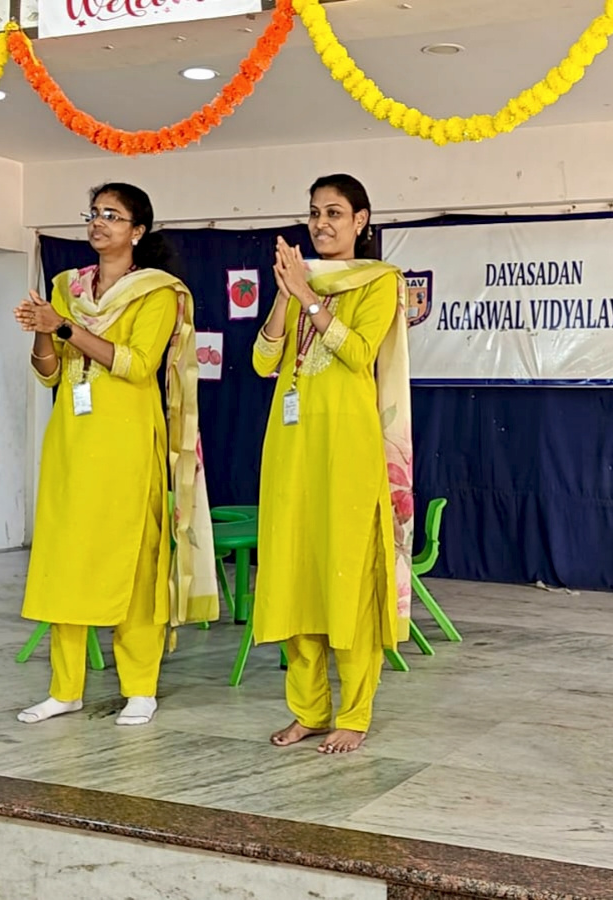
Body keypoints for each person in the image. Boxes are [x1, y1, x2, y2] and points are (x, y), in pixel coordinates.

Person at [12, 182, 218, 726]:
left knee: (134, 563)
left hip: (127, 443)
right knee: (65, 563)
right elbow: (48, 372)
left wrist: (65, 327)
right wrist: (42, 330)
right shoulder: (66, 286)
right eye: (94, 213)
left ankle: (141, 688)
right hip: (71, 443)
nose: (98, 223)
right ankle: (65, 689)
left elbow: (136, 364)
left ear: (138, 231)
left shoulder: (157, 293)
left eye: (112, 215)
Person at [251, 174, 414, 754]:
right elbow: (263, 361)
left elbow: (358, 352)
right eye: (315, 212)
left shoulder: (379, 281)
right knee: (295, 577)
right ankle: (308, 710)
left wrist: (310, 299)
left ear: (361, 221)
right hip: (291, 449)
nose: (322, 223)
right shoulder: (302, 282)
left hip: (347, 450)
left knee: (347, 582)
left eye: (335, 213)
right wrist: (285, 293)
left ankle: (354, 713)